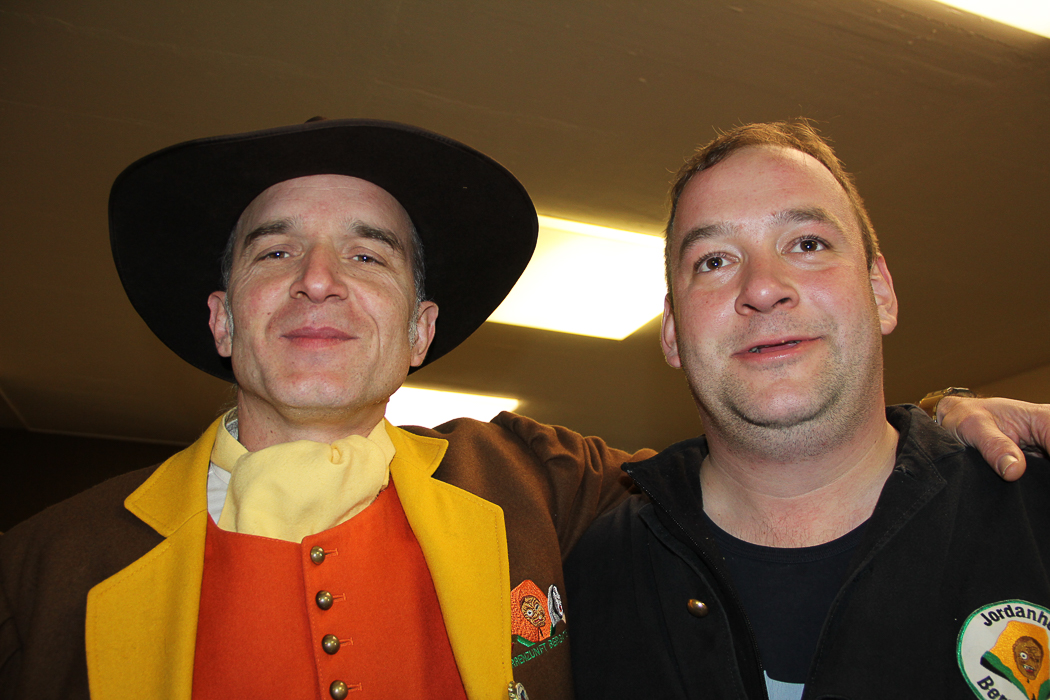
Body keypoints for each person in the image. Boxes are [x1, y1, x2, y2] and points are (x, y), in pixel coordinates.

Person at [0, 119, 1043, 700]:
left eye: (369, 255)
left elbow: (777, 450)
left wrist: (938, 421)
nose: (319, 280)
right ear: (223, 318)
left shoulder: (536, 486)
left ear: (421, 329)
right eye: (276, 252)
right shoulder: (42, 573)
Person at [564, 120, 1050, 700]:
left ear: (881, 292)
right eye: (714, 261)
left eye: (807, 244)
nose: (762, 287)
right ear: (672, 333)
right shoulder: (587, 576)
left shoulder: (1034, 513)